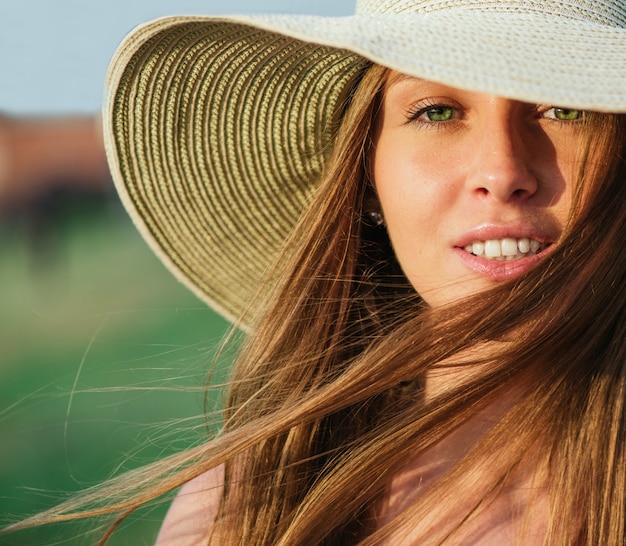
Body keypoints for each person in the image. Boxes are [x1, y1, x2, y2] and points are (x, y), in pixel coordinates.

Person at [8, 0, 626, 544]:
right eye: (437, 111)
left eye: (566, 107)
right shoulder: (257, 495)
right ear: (367, 180)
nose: (502, 169)